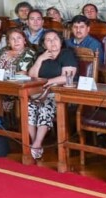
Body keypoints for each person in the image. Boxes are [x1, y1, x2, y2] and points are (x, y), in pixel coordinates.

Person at [25, 31, 77, 160]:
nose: (52, 42)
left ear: (60, 41)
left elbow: (67, 77)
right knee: (28, 106)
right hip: (39, 92)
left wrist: (46, 82)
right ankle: (33, 140)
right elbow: (32, 76)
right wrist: (39, 60)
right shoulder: (41, 55)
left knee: (45, 106)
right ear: (43, 44)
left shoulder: (66, 54)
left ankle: (37, 143)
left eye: (55, 39)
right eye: (48, 40)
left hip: (59, 93)